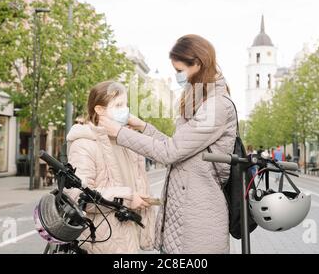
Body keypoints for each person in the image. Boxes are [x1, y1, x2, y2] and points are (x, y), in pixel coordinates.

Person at [99, 34, 237, 254]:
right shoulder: (198, 100)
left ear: (198, 64)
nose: (177, 76)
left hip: (199, 222)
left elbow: (169, 152)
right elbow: (177, 147)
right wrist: (143, 127)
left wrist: (119, 133)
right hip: (183, 215)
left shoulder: (217, 106)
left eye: (180, 70)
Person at [65, 81, 156, 253]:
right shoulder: (85, 144)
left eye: (126, 104)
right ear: (99, 109)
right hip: (103, 242)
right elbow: (78, 197)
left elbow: (166, 150)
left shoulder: (126, 141)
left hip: (128, 237)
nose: (125, 110)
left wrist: (139, 198)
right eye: (119, 105)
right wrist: (128, 198)